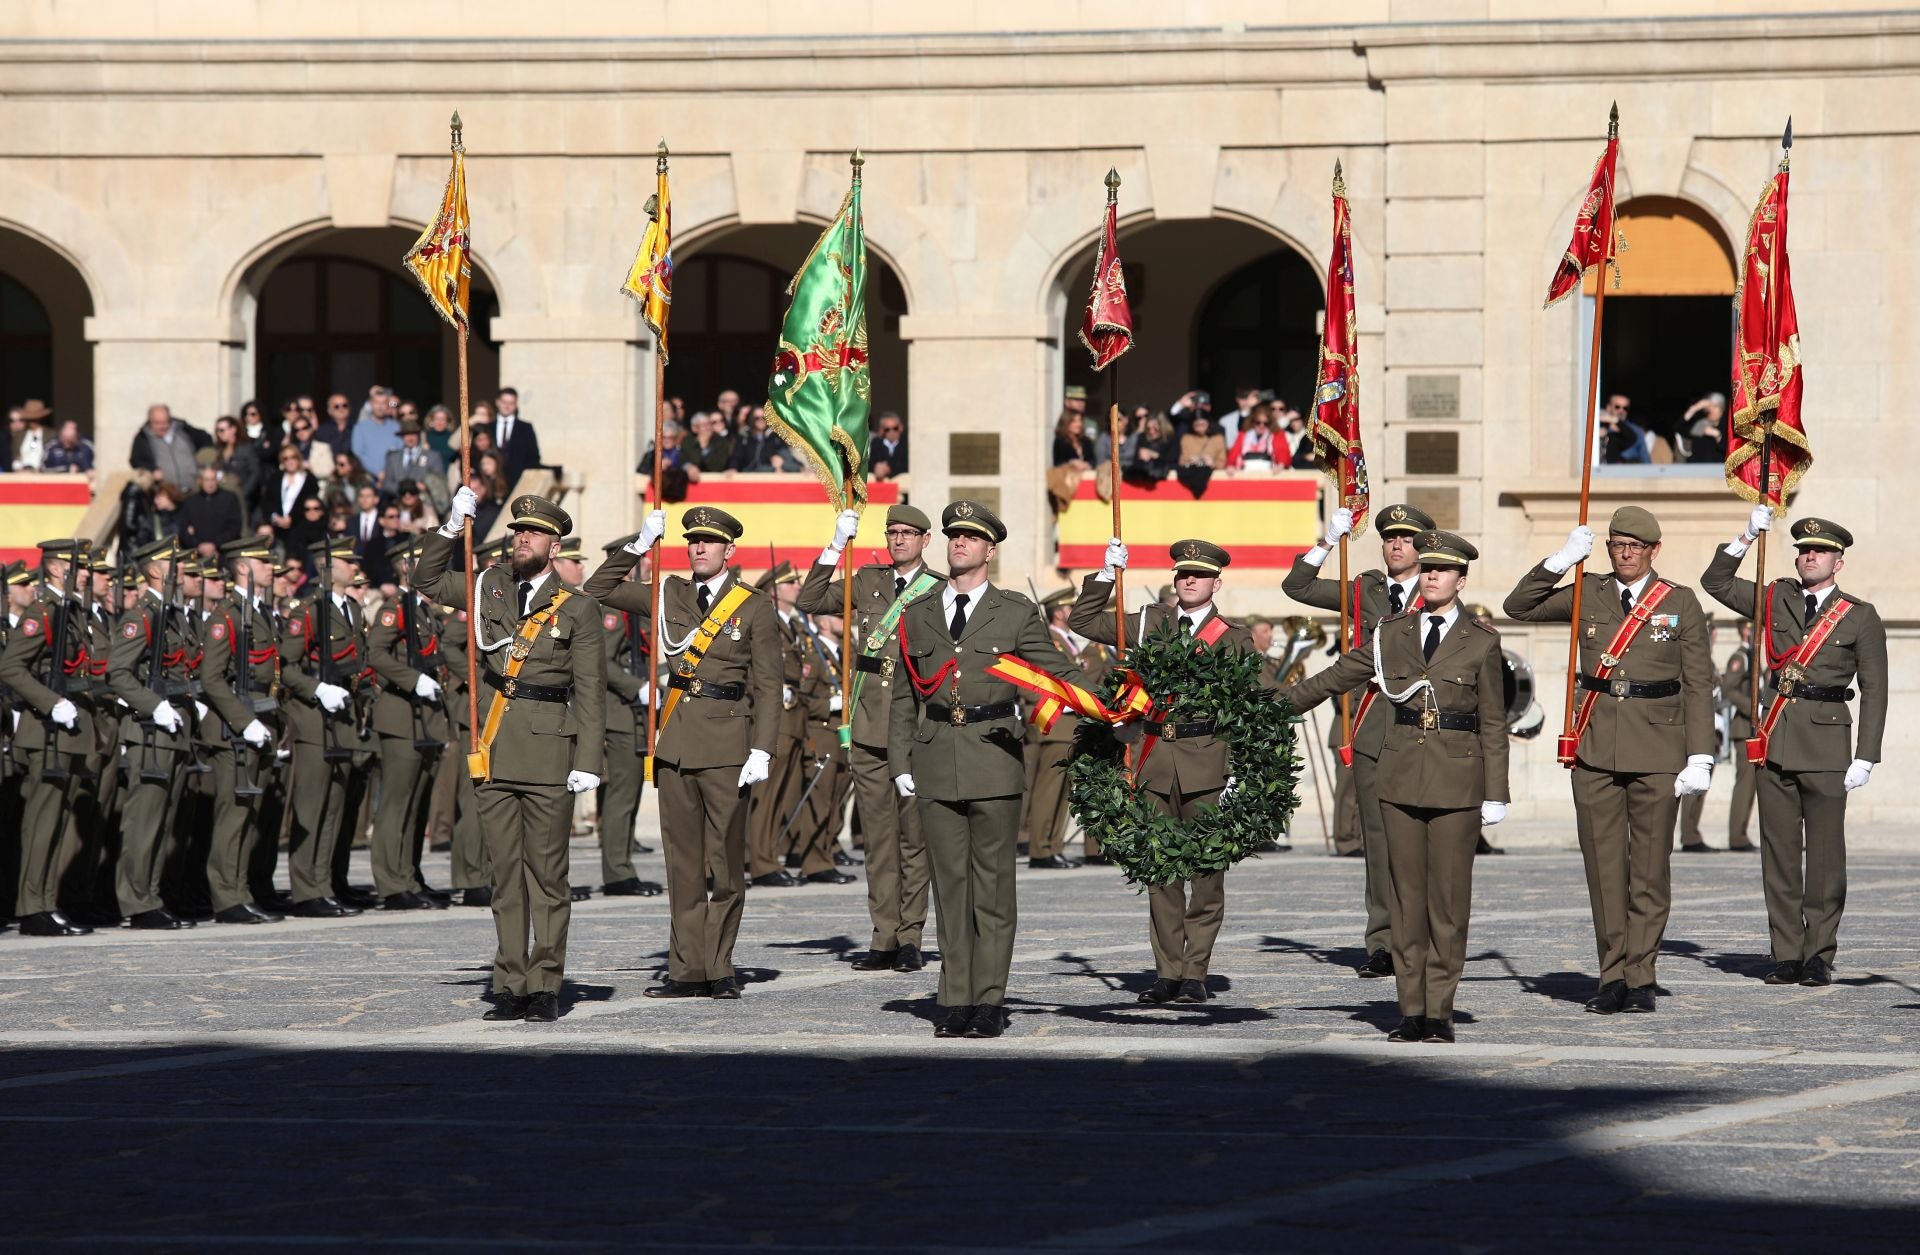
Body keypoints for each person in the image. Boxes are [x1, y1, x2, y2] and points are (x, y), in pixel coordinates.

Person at [1286, 530, 1510, 1043]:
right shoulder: (1391, 632)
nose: (1431, 575)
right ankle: (1411, 1009)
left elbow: (1493, 721)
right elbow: (1337, 675)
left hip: (1457, 778)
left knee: (1447, 902)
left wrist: (1496, 790)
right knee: (1406, 897)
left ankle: (1441, 1010)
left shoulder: (1481, 641)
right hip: (1400, 775)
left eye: (1443, 569)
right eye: (1426, 567)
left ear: (1461, 579)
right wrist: (1270, 708)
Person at [1505, 505, 1715, 1014]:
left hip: (1658, 748)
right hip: (1596, 745)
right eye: (1617, 545)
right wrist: (1559, 560)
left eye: (1635, 547)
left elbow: (1698, 683)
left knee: (1648, 870)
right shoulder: (1588, 590)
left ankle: (1641, 976)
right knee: (1602, 868)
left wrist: (1700, 753)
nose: (1625, 554)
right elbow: (1519, 607)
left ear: (1653, 551)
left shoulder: (1680, 602)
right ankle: (1612, 975)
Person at [888, 501, 1085, 1039]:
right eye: (953, 535)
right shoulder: (918, 611)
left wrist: (1117, 700)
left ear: (990, 550)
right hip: (934, 757)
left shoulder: (1015, 612)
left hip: (994, 754)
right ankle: (955, 997)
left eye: (970, 537)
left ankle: (990, 999)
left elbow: (1057, 670)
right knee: (949, 888)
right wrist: (900, 758)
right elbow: (905, 695)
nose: (959, 543)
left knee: (993, 888)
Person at [417, 488, 605, 1023]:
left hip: (549, 749)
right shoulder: (486, 586)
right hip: (494, 746)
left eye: (535, 532)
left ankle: (545, 982)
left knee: (546, 874)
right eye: (518, 529)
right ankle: (510, 979)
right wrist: (451, 528)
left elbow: (589, 689)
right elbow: (426, 580)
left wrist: (588, 759)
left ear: (554, 544)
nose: (522, 537)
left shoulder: (579, 608)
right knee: (505, 876)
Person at [584, 505, 780, 1001]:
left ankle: (721, 966)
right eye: (692, 539)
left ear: (729, 550)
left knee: (726, 866)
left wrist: (763, 747)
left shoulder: (753, 606)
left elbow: (770, 686)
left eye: (709, 541)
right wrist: (639, 545)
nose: (698, 547)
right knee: (684, 865)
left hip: (726, 745)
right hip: (674, 742)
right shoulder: (668, 591)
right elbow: (597, 589)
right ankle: (688, 969)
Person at [1701, 510, 1886, 987]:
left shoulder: (1859, 616)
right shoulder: (1775, 595)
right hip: (1776, 739)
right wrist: (1745, 535)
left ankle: (1819, 953)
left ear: (1838, 563)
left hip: (1827, 745)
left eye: (1819, 551)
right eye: (1803, 550)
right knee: (1778, 853)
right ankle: (1785, 951)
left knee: (1824, 858)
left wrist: (1866, 754)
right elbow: (1716, 582)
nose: (1809, 557)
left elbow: (1875, 688)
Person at [1073, 537, 1253, 1004]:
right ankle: (1168, 971)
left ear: (1216, 582)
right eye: (1181, 573)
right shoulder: (1152, 622)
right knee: (1160, 871)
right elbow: (1083, 621)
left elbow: (1245, 706)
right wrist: (1105, 576)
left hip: (1208, 761)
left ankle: (1196, 972)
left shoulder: (1233, 637)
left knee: (1207, 875)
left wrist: (1239, 769)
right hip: (1156, 760)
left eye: (1198, 574)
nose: (1188, 579)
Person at [1282, 502, 1436, 976]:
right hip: (1372, 724)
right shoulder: (1365, 587)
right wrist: (1327, 541)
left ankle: (1425, 935)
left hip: (1424, 729)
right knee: (1378, 840)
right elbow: (1298, 587)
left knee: (1426, 841)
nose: (1395, 545)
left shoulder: (1439, 588)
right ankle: (1383, 942)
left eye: (1406, 539)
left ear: (1423, 547)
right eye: (1389, 537)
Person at [797, 503, 943, 973]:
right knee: (878, 839)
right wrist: (836, 544)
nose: (898, 540)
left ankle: (911, 936)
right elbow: (809, 599)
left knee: (914, 840)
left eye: (908, 533)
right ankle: (883, 935)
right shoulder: (867, 581)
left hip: (915, 728)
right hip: (867, 726)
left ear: (925, 540)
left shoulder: (939, 589)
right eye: (892, 532)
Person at [0, 539, 97, 936]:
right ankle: (31, 907)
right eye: (81, 566)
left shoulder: (68, 611)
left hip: (67, 733)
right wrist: (49, 701)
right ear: (57, 569)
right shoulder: (43, 612)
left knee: (56, 822)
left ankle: (46, 902)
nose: (89, 573)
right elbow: (10, 666)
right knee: (41, 822)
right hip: (46, 733)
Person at [196, 536, 281, 924]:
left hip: (259, 720)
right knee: (233, 815)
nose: (271, 568)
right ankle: (226, 896)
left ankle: (241, 890)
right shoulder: (227, 616)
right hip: (234, 729)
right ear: (243, 567)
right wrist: (245, 723)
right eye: (263, 562)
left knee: (250, 814)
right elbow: (211, 679)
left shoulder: (258, 612)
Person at [364, 535, 451, 911]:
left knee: (416, 803)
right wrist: (412, 679)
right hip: (400, 717)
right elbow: (376, 653)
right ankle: (390, 881)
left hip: (425, 720)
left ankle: (409, 875)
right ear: (406, 566)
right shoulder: (394, 607)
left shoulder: (423, 609)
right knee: (396, 804)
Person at [593, 533, 663, 899]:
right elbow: (603, 661)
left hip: (635, 713)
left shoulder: (631, 605)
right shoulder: (612, 610)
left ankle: (623, 865)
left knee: (630, 793)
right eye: (642, 560)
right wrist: (635, 686)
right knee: (621, 795)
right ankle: (617, 873)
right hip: (619, 712)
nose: (648, 564)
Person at [745, 562, 813, 889]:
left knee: (780, 796)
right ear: (774, 591)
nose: (797, 588)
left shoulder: (792, 625)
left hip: (794, 716)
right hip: (777, 716)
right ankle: (761, 862)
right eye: (790, 584)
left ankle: (768, 855)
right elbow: (752, 665)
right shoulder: (769, 622)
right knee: (766, 796)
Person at [1022, 588, 1087, 870]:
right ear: (1059, 612)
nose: (1073, 613)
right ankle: (1040, 849)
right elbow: (1031, 679)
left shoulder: (1064, 641)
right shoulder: (1047, 640)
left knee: (1062, 793)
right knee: (1048, 791)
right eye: (1069, 608)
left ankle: (1054, 846)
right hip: (1054, 721)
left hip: (1068, 725)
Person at [129, 405, 210, 485]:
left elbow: (206, 439)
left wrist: (203, 468)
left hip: (193, 488)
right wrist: (152, 469)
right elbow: (135, 460)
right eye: (157, 423)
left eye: (165, 422)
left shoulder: (183, 430)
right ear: (150, 422)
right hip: (165, 492)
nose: (162, 426)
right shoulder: (143, 438)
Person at [383, 418, 449, 511]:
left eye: (413, 434)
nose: (410, 438)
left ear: (418, 435)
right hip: (399, 507)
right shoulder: (392, 457)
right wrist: (405, 489)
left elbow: (440, 483)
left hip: (425, 506)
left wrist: (425, 486)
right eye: (406, 434)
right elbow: (387, 484)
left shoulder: (432, 456)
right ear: (402, 437)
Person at [182, 461, 244, 556]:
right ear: (200, 481)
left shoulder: (229, 498)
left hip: (224, 552)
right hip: (198, 554)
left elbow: (235, 526)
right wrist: (199, 545)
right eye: (207, 480)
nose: (210, 484)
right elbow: (183, 530)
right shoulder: (190, 501)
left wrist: (215, 544)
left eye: (213, 479)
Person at [492, 387, 542, 484]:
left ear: (515, 405)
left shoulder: (526, 428)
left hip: (517, 482)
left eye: (511, 403)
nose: (507, 406)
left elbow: (533, 457)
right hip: (492, 483)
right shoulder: (489, 427)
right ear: (497, 402)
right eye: (504, 402)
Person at [208, 416, 261, 505]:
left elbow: (255, 473)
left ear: (233, 430)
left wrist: (243, 493)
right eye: (217, 431)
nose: (219, 434)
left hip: (241, 497)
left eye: (222, 430)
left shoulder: (246, 449)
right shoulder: (217, 450)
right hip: (221, 497)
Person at [352, 385, 403, 477]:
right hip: (368, 478)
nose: (379, 407)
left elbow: (401, 450)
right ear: (371, 404)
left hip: (393, 476)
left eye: (383, 403)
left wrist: (389, 473)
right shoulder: (360, 428)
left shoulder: (396, 427)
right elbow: (358, 453)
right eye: (376, 403)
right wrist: (377, 473)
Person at [1176, 412, 1226, 497]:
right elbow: (1182, 461)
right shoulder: (1186, 439)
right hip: (1192, 478)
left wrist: (1212, 463)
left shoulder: (1218, 439)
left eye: (1203, 425)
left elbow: (1222, 462)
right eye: (1197, 425)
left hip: (1214, 485)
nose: (1200, 428)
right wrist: (1191, 460)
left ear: (1208, 423)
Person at [1598, 394, 1649, 465]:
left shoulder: (1636, 431)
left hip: (1628, 474)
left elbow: (1645, 460)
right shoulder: (1598, 428)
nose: (1621, 411)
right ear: (1608, 408)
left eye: (1625, 408)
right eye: (1617, 407)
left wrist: (1615, 420)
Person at [1126, 412, 1176, 484]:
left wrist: (1155, 455)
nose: (1151, 432)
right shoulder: (1142, 437)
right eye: (1148, 429)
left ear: (1162, 427)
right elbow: (1134, 462)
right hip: (1143, 476)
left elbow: (1172, 460)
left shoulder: (1171, 439)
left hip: (1163, 475)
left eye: (1155, 429)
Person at [1226, 403, 1279, 470]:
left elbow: (1282, 455)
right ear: (1253, 422)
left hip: (1268, 473)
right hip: (1245, 473)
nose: (1261, 426)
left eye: (1265, 423)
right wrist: (1230, 466)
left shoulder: (1276, 435)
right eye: (1258, 422)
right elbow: (1233, 455)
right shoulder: (1243, 435)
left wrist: (1280, 465)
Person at [11, 399, 51, 470]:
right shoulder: (20, 435)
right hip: (22, 474)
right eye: (30, 419)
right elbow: (16, 456)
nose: (32, 422)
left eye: (35, 419)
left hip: (42, 473)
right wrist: (19, 468)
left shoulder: (50, 435)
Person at [869, 411, 908, 479]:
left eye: (895, 428)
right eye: (887, 429)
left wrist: (889, 469)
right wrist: (876, 467)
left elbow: (909, 465)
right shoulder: (876, 443)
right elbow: (870, 464)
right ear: (882, 430)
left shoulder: (906, 443)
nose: (891, 432)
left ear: (901, 427)